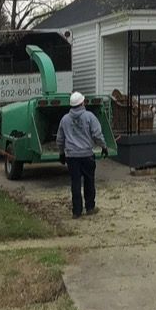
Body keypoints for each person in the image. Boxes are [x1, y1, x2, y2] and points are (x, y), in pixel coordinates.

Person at [57, 87, 110, 218]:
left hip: (71, 156)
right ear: (82, 103)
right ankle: (90, 207)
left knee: (75, 183)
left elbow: (60, 139)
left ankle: (76, 212)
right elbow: (97, 134)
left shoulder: (65, 119)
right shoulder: (89, 117)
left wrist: (61, 153)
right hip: (87, 155)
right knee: (89, 181)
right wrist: (104, 146)